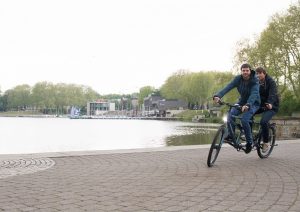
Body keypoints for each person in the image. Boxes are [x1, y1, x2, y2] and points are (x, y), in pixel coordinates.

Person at [213, 63, 261, 153]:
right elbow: (228, 87)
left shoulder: (254, 80)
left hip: (253, 103)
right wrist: (218, 95)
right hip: (242, 102)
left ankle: (249, 143)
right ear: (241, 71)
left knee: (244, 120)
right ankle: (232, 135)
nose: (245, 72)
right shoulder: (238, 79)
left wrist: (248, 105)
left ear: (250, 71)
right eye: (243, 71)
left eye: (247, 70)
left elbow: (254, 94)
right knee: (231, 115)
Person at [255, 67, 279, 152]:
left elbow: (272, 94)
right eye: (256, 73)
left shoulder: (271, 82)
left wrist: (270, 103)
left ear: (264, 73)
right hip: (261, 105)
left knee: (263, 122)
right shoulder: (256, 82)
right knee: (248, 112)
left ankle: (266, 142)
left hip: (271, 106)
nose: (258, 75)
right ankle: (248, 134)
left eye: (259, 73)